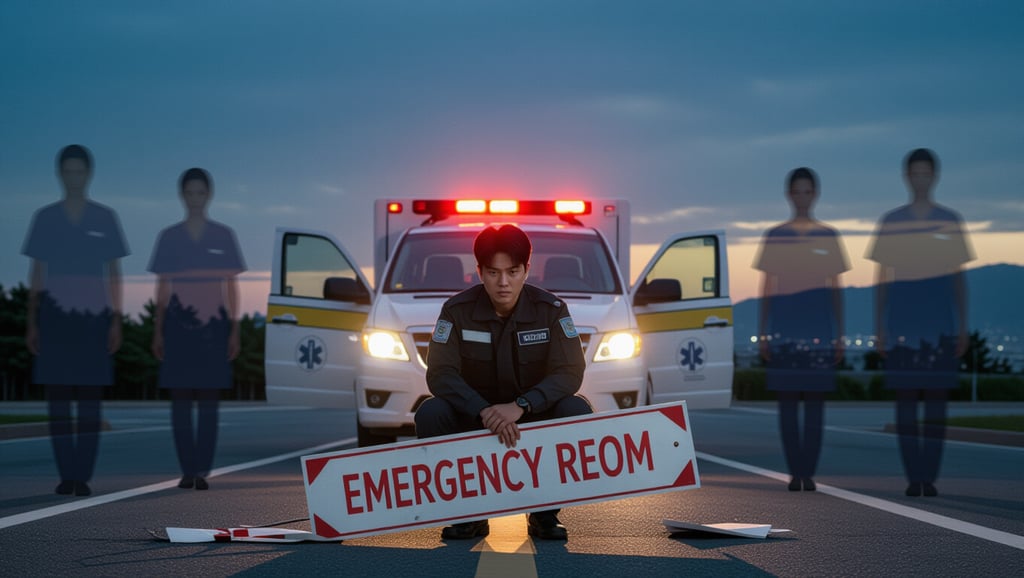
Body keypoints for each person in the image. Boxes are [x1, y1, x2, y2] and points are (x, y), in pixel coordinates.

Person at [415, 224, 591, 540]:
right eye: (494, 273)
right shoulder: (456, 311)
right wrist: (485, 411)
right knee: (431, 412)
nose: (504, 282)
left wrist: (522, 405)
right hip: (475, 418)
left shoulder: (550, 311)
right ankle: (468, 514)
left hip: (531, 416)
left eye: (513, 271)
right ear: (480, 272)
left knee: (576, 408)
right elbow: (440, 373)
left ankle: (544, 514)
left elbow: (570, 371)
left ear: (527, 269)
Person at [23, 144, 130, 496]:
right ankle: (65, 474)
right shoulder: (45, 218)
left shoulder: (104, 218)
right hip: (54, 317)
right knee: (57, 400)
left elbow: (114, 272)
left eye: (79, 171)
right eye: (67, 172)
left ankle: (81, 475)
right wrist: (32, 321)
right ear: (60, 174)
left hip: (93, 318)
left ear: (88, 174)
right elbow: (36, 273)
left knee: (88, 400)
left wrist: (116, 319)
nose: (73, 178)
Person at [866, 148, 972, 497]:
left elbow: (959, 278)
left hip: (940, 325)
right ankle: (914, 477)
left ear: (935, 176)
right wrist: (879, 327)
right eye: (916, 173)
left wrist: (962, 326)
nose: (921, 178)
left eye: (927, 172)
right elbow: (882, 277)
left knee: (937, 405)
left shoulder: (949, 220)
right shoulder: (892, 221)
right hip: (902, 326)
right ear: (907, 177)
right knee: (907, 404)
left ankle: (931, 476)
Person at [149, 168, 246, 491]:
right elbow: (162, 287)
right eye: (189, 193)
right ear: (182, 195)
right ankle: (186, 469)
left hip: (213, 328)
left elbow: (231, 286)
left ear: (209, 195)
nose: (195, 199)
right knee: (179, 402)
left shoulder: (223, 236)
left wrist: (234, 330)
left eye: (200, 193)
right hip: (178, 328)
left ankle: (202, 469)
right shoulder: (169, 237)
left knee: (207, 403)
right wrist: (158, 329)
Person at [754, 167, 849, 492]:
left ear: (815, 194)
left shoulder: (829, 236)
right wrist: (763, 332)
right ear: (789, 195)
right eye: (798, 192)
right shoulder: (775, 235)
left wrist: (840, 334)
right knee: (788, 405)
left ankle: (809, 470)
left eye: (808, 192)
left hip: (819, 329)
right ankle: (796, 471)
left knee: (815, 406)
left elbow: (836, 287)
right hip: (784, 331)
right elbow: (767, 286)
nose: (803, 198)